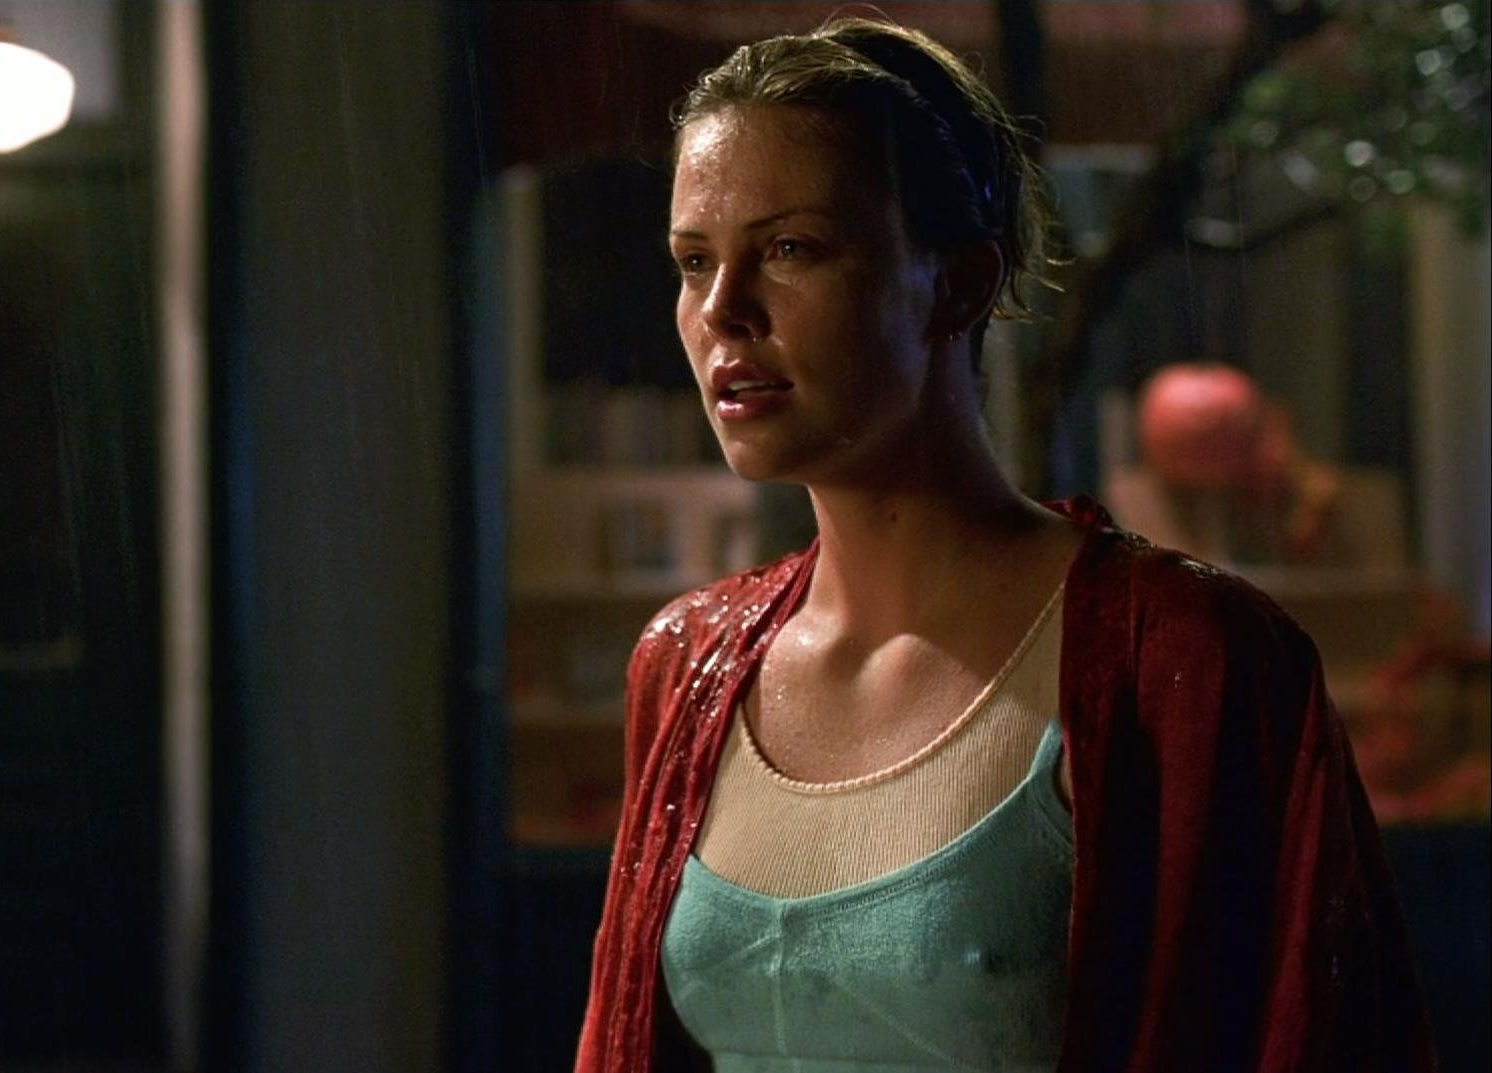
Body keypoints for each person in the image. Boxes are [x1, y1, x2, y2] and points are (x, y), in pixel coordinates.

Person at [573, 15, 1434, 1073]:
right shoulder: (689, 663)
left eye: (792, 248)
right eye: (693, 260)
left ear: (960, 280)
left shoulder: (1181, 658)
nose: (723, 311)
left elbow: (1315, 1033)